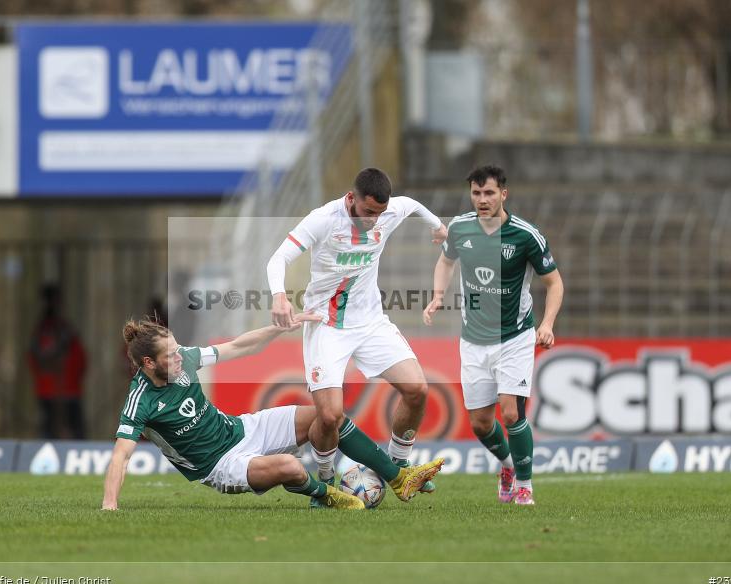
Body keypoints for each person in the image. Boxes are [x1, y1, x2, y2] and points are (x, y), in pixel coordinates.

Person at [102, 316, 442, 511]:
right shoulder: (140, 400)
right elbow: (121, 456)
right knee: (291, 467)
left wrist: (281, 328)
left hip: (241, 429)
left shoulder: (186, 360)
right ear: (148, 363)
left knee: (326, 415)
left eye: (178, 350)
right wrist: (110, 505)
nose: (180, 357)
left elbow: (239, 346)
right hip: (220, 466)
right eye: (171, 355)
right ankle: (326, 496)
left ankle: (399, 477)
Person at [266, 167, 447, 504]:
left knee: (417, 389)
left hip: (370, 323)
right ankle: (324, 483)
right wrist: (279, 295)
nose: (373, 221)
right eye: (367, 213)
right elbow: (278, 259)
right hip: (327, 325)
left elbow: (413, 205)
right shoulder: (323, 220)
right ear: (351, 199)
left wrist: (438, 226)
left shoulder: (388, 211)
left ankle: (397, 463)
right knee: (330, 415)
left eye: (379, 214)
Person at [423, 165, 564, 505]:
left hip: (514, 337)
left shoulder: (525, 235)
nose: (482, 200)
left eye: (489, 193)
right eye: (476, 193)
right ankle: (507, 466)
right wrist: (438, 295)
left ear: (504, 194)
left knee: (512, 413)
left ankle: (525, 485)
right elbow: (445, 261)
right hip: (473, 340)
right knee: (481, 423)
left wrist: (547, 324)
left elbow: (554, 282)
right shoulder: (460, 228)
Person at [27, 284, 87, 439]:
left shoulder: (63, 328)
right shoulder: (44, 330)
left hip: (67, 388)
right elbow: (39, 360)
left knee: (74, 432)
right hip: (53, 390)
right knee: (52, 433)